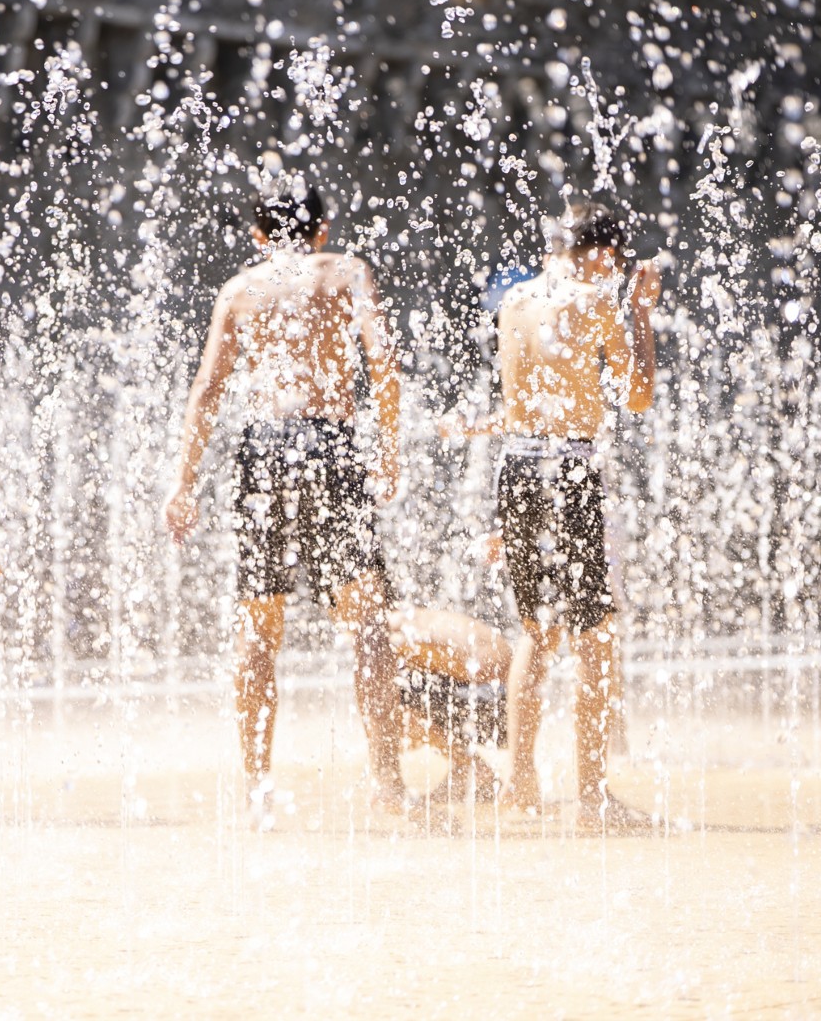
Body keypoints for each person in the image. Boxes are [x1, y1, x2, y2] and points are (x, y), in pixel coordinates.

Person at [162, 180, 410, 817]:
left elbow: (207, 391)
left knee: (258, 622)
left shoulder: (240, 291)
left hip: (263, 451)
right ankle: (387, 782)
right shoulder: (347, 274)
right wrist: (389, 450)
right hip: (329, 447)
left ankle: (257, 789)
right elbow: (383, 367)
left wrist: (183, 485)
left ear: (258, 236)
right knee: (369, 623)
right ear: (323, 229)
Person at [478, 198, 660, 830]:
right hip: (570, 469)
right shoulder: (598, 303)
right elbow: (638, 395)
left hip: (518, 467)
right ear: (606, 255)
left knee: (536, 630)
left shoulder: (515, 303)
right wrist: (639, 312)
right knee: (595, 636)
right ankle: (592, 796)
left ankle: (520, 783)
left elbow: (510, 400)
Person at [391, 605, 514, 805]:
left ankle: (471, 768)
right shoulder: (421, 617)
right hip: (512, 705)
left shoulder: (394, 625)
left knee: (395, 699)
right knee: (404, 691)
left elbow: (485, 667)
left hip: (496, 702)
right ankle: (468, 770)